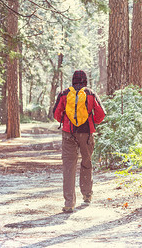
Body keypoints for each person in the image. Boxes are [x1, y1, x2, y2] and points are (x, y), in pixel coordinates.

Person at [53, 70, 106, 213]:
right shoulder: (90, 93)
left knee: (69, 167)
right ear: (85, 81)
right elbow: (101, 114)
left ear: (73, 80)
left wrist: (66, 121)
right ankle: (87, 194)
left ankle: (69, 203)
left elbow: (56, 114)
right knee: (86, 162)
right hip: (86, 133)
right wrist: (91, 122)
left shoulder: (64, 94)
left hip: (68, 134)